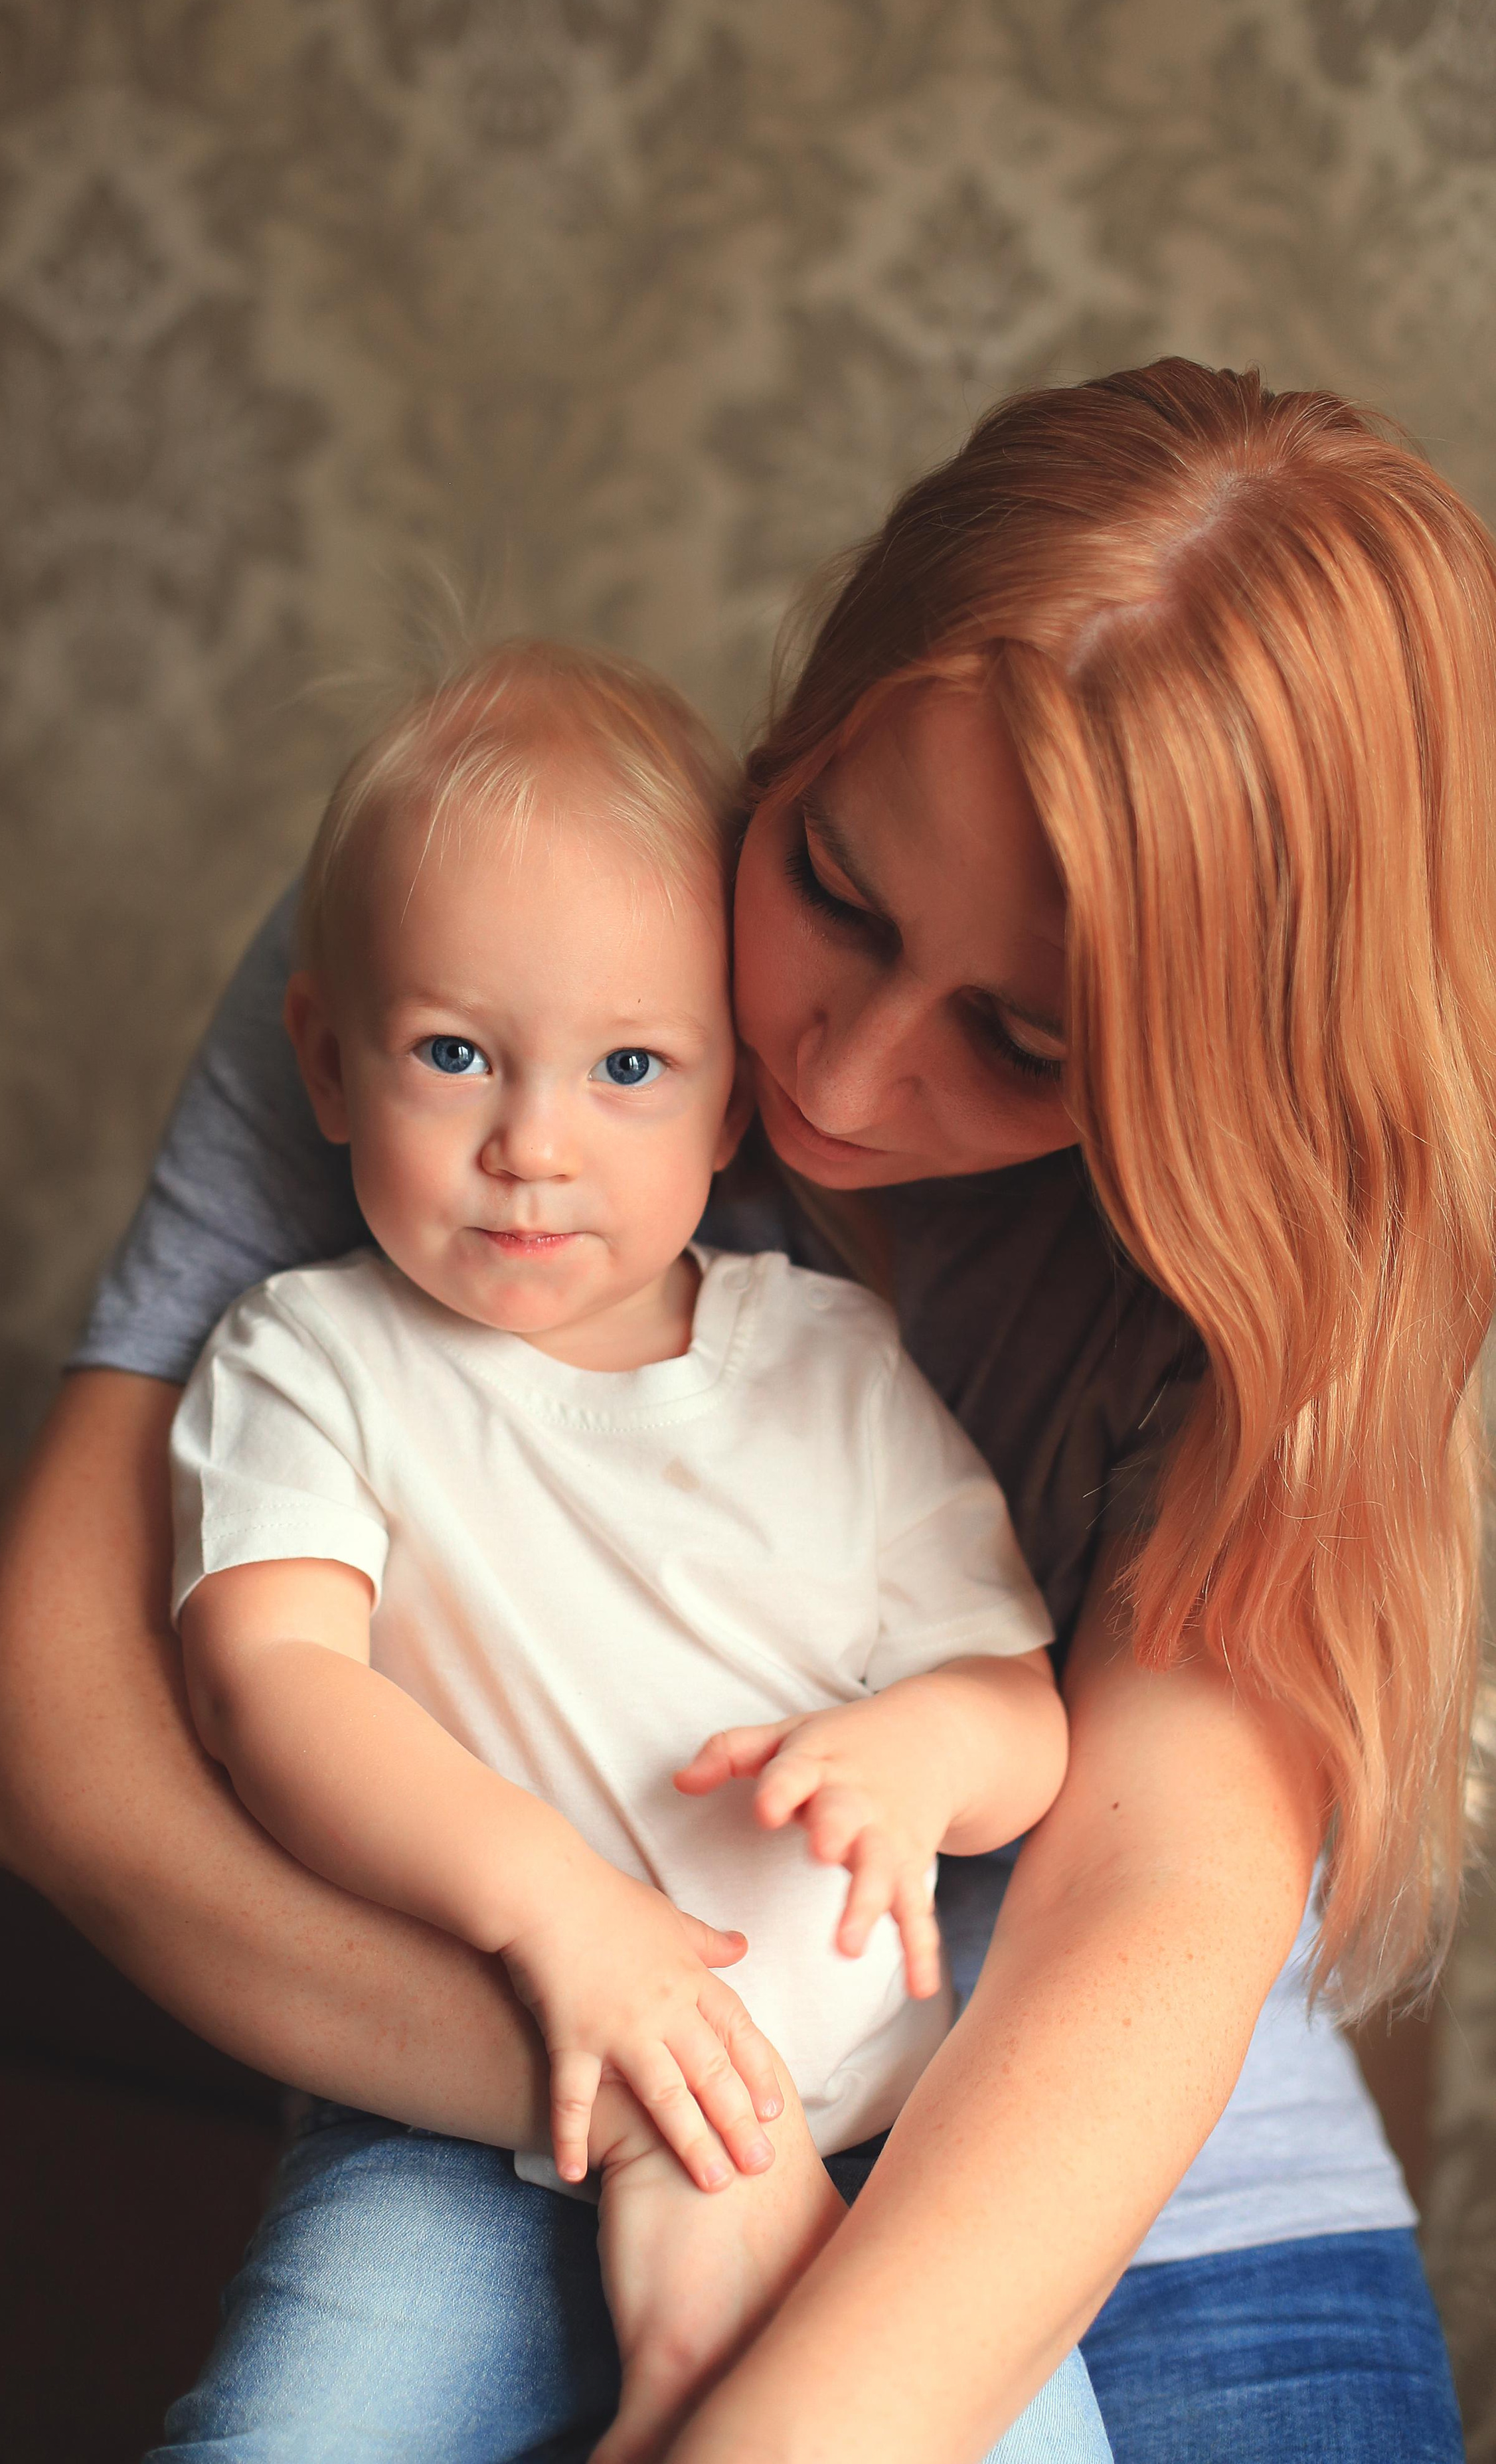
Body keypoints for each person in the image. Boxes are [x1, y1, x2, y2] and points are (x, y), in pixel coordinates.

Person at [0, 359, 1490, 2463]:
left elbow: (1139, 1915)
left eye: (1025, 1043)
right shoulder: (501, 927)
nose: (842, 1083)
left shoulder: (1263, 1278)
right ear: (827, 698)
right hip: (529, 2096)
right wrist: (667, 2079)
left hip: (1159, 2189)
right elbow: (48, 1752)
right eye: (837, 890)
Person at [154, 639, 1103, 2461]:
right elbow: (270, 1688)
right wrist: (562, 1916)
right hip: (463, 2128)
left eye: (629, 1068)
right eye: (454, 1054)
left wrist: (926, 1756)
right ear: (327, 1060)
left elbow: (1023, 1708)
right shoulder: (311, 1358)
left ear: (730, 1105)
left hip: (858, 2140)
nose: (532, 1145)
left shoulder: (826, 1362)